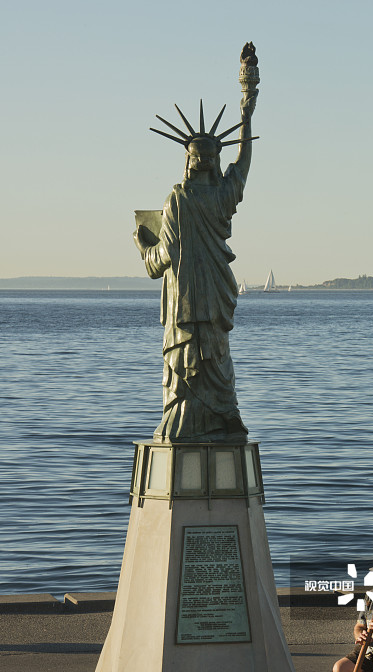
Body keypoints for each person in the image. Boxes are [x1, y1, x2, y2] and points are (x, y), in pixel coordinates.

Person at [133, 47, 258, 443]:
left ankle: (182, 421)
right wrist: (246, 112)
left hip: (184, 301)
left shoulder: (178, 200)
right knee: (216, 355)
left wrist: (143, 246)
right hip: (216, 295)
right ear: (212, 162)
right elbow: (244, 163)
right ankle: (226, 417)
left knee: (185, 358)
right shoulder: (222, 195)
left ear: (190, 161)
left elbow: (163, 258)